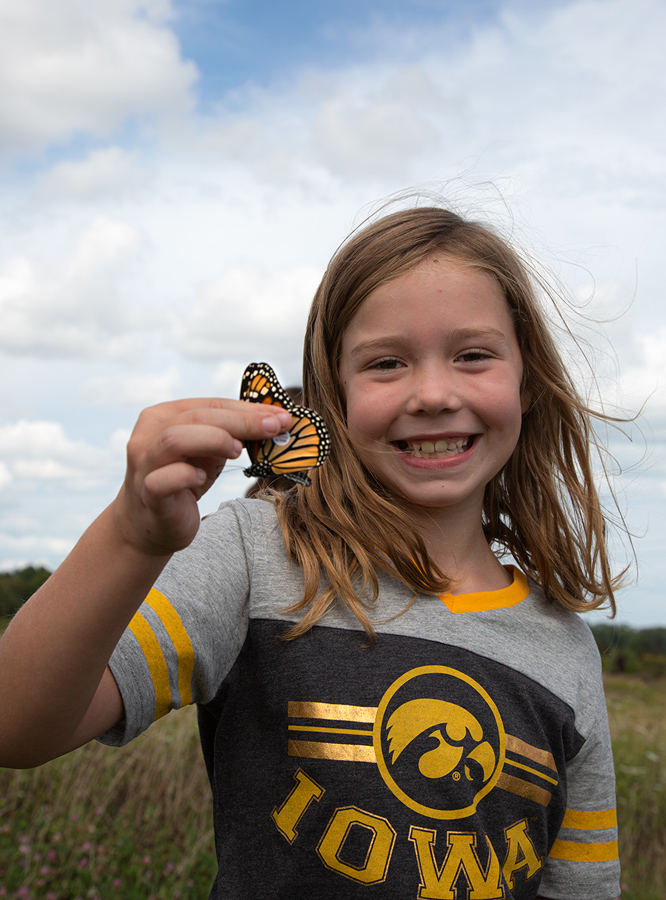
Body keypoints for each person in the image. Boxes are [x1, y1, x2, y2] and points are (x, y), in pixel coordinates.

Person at [0, 205, 623, 900]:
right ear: (334, 393)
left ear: (527, 379)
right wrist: (130, 535)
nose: (434, 394)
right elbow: (15, 725)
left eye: (473, 355)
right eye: (386, 363)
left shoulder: (564, 649)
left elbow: (581, 886)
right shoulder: (253, 555)